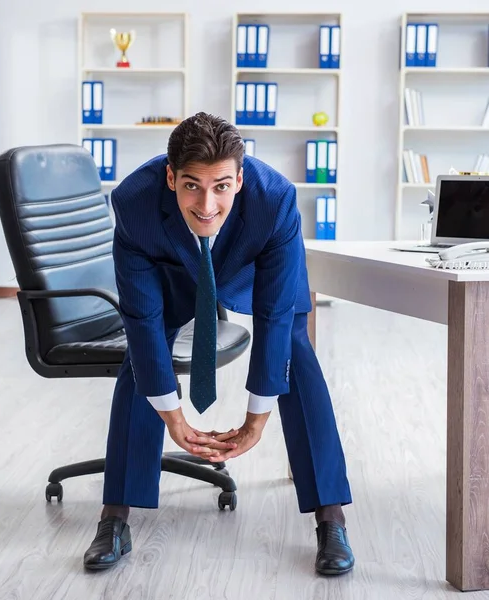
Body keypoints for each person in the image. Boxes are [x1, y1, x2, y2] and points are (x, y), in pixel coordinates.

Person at [83, 112, 355, 575]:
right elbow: (143, 317)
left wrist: (255, 420)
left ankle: (331, 516)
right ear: (170, 177)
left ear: (241, 179)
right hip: (171, 270)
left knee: (293, 349)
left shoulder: (275, 201)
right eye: (192, 185)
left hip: (251, 268)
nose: (207, 203)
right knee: (142, 356)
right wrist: (172, 415)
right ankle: (115, 516)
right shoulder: (135, 204)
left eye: (222, 186)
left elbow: (272, 315)